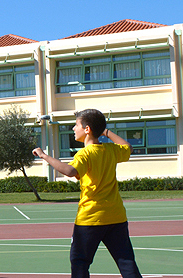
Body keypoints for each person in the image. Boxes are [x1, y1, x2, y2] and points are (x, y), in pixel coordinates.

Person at [32, 109, 142, 278]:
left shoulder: (85, 154)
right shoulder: (111, 150)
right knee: (126, 261)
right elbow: (128, 147)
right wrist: (106, 132)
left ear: (87, 129)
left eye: (76, 125)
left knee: (80, 262)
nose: (73, 129)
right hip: (116, 216)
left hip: (90, 218)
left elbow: (69, 171)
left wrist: (44, 156)